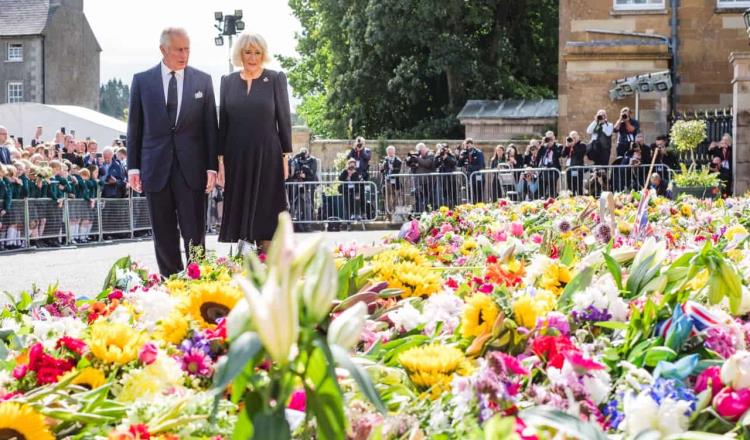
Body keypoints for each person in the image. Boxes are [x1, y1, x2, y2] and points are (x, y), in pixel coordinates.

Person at [127, 27, 219, 276]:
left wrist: (212, 167)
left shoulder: (203, 81)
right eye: (179, 49)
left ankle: (198, 282)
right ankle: (171, 283)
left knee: (194, 232)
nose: (184, 54)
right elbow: (135, 127)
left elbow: (211, 128)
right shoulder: (142, 81)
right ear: (163, 49)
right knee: (163, 234)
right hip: (155, 169)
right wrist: (133, 167)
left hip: (192, 170)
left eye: (187, 48)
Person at [217, 32, 291, 253]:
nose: (252, 57)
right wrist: (220, 161)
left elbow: (284, 120)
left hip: (268, 154)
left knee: (266, 208)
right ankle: (245, 263)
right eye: (248, 52)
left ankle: (268, 262)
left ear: (263, 54)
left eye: (257, 52)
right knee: (242, 209)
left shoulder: (275, 78)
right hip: (236, 155)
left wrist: (285, 156)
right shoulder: (227, 82)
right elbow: (224, 124)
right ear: (240, 53)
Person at [287, 147, 318, 231]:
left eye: (304, 153)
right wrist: (295, 157)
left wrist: (305, 176)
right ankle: (298, 226)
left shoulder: (308, 164)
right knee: (296, 207)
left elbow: (312, 176)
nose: (303, 155)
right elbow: (291, 174)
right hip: (296, 188)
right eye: (301, 153)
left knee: (307, 207)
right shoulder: (295, 162)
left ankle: (307, 226)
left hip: (306, 188)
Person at [459, 138, 485, 203]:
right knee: (470, 195)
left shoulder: (478, 153)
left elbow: (480, 166)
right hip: (468, 178)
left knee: (478, 196)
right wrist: (461, 156)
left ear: (472, 145)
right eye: (467, 145)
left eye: (469, 145)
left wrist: (468, 167)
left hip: (478, 177)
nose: (468, 147)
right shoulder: (464, 153)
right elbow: (459, 164)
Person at [537, 131, 561, 198]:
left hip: (552, 172)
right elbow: (538, 156)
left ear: (554, 137)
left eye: (551, 138)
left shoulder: (558, 146)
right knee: (541, 192)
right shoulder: (544, 147)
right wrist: (542, 145)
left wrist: (552, 145)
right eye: (548, 138)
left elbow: (558, 154)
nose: (549, 140)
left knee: (552, 192)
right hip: (543, 172)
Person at [379, 145, 403, 215]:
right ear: (387, 152)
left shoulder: (398, 160)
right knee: (386, 198)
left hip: (394, 182)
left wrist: (392, 169)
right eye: (389, 151)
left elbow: (398, 170)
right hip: (386, 181)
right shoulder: (384, 160)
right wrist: (381, 167)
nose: (390, 152)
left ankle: (394, 213)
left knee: (394, 198)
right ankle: (388, 214)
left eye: (391, 151)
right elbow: (382, 171)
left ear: (394, 151)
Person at [562, 131, 586, 196]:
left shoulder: (582, 145)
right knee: (570, 188)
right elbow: (563, 155)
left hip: (577, 169)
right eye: (572, 137)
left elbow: (579, 153)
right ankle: (571, 202)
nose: (573, 139)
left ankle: (580, 200)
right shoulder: (569, 146)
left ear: (578, 137)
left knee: (578, 187)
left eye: (575, 137)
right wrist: (566, 146)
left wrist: (573, 145)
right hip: (569, 169)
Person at [434, 143, 458, 208]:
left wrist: (447, 157)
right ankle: (446, 208)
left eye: (445, 148)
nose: (444, 150)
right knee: (444, 194)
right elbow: (435, 164)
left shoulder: (451, 155)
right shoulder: (439, 156)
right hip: (443, 178)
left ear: (448, 148)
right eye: (443, 148)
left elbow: (454, 163)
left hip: (451, 178)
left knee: (452, 194)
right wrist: (437, 156)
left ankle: (454, 207)